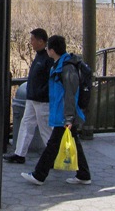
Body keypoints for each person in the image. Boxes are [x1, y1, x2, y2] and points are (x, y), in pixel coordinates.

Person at [21, 35, 91, 186]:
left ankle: (39, 175)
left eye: (48, 48)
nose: (46, 50)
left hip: (64, 115)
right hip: (64, 113)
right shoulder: (62, 64)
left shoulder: (66, 68)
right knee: (73, 143)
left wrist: (68, 117)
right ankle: (84, 174)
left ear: (52, 50)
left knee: (52, 146)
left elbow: (70, 94)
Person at [3, 28, 54, 164]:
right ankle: (20, 154)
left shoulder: (47, 58)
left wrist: (41, 93)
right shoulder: (39, 56)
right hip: (33, 98)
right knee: (26, 125)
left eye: (32, 39)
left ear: (41, 41)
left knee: (45, 130)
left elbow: (51, 80)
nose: (30, 42)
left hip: (42, 100)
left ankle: (53, 156)